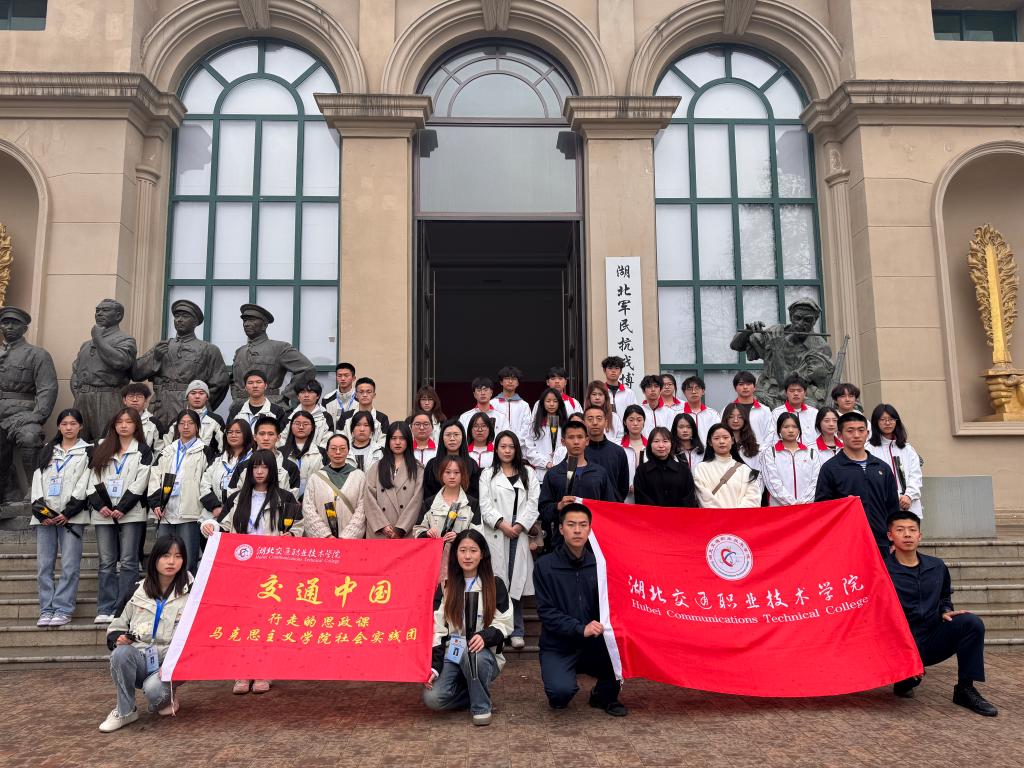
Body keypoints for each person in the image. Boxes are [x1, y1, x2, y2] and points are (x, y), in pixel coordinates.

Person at [201, 450, 300, 696]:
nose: (259, 471)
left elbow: (299, 526)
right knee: (242, 621)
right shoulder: (238, 498)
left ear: (272, 470)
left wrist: (291, 536)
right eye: (255, 467)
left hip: (273, 570)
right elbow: (223, 525)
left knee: (268, 620)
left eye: (264, 467)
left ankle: (265, 669)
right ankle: (242, 671)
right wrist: (210, 526)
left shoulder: (285, 498)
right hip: (242, 569)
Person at [885, 511, 998, 716]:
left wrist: (946, 610)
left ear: (920, 536)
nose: (907, 535)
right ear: (890, 536)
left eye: (912, 530)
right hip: (896, 643)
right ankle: (904, 677)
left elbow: (945, 596)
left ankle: (965, 689)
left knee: (971, 623)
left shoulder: (936, 566)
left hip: (930, 637)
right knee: (907, 676)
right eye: (900, 530)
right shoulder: (881, 570)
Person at [533, 503, 626, 716]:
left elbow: (612, 604)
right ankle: (560, 675)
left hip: (594, 642)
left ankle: (603, 695)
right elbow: (546, 612)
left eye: (583, 525)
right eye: (571, 525)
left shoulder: (600, 563)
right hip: (558, 644)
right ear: (561, 528)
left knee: (621, 648)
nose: (577, 530)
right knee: (560, 695)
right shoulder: (545, 566)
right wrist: (579, 628)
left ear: (590, 529)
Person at [99, 533, 190, 732]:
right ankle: (125, 711)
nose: (171, 562)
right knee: (120, 653)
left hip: (172, 664)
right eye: (165, 555)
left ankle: (167, 695)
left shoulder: (193, 592)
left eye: (178, 556)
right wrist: (118, 638)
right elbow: (115, 627)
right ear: (155, 558)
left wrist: (174, 665)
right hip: (141, 658)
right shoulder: (136, 591)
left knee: (154, 692)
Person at [424, 529, 513, 726]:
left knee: (472, 653)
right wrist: (435, 667)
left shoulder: (495, 584)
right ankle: (474, 693)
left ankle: (481, 707)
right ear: (455, 554)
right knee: (433, 699)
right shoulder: (446, 586)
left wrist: (485, 636)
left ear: (482, 554)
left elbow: (505, 622)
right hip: (452, 654)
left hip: (483, 655)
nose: (467, 556)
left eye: (473, 550)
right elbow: (438, 629)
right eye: (462, 550)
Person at [80, 408, 153, 622]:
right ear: (114, 425)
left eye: (129, 422)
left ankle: (122, 609)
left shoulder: (142, 450)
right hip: (103, 514)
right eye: (120, 421)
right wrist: (100, 505)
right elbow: (90, 480)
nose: (123, 425)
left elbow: (141, 482)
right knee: (106, 562)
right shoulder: (102, 448)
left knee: (129, 561)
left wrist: (122, 507)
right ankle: (105, 608)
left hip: (131, 513)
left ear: (136, 425)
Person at [479, 431, 541, 649]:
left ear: (517, 449)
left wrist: (520, 525)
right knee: (497, 581)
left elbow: (533, 502)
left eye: (511, 447)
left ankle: (517, 629)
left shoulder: (528, 473)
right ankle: (498, 630)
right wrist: (501, 524)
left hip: (519, 530)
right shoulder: (488, 474)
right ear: (496, 449)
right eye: (503, 446)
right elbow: (485, 504)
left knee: (517, 581)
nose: (507, 451)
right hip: (497, 531)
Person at [30, 408, 91, 627]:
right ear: (59, 426)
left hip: (71, 518)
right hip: (45, 518)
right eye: (64, 424)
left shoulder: (87, 452)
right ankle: (46, 609)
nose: (68, 427)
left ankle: (63, 609)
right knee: (44, 566)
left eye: (73, 423)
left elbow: (85, 483)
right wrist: (42, 512)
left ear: (80, 426)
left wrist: (68, 512)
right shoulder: (48, 450)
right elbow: (37, 481)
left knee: (69, 565)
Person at [132, 297, 229, 426]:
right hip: (161, 406)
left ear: (195, 322)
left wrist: (200, 402)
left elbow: (220, 383)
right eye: (177, 316)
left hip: (189, 405)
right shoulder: (162, 346)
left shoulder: (208, 349)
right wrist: (155, 358)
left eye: (185, 316)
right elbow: (136, 374)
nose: (179, 320)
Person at [814, 411, 900, 554]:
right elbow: (822, 509)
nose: (856, 435)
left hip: (881, 542)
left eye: (861, 430)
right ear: (839, 435)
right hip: (845, 543)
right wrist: (842, 504)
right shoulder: (830, 468)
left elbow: (893, 507)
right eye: (850, 431)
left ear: (867, 434)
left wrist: (894, 540)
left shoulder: (882, 468)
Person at [0, 306, 57, 503]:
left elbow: (47, 388)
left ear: (24, 328)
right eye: (5, 323)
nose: (9, 327)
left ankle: (35, 487)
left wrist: (37, 415)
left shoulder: (37, 354)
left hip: (22, 413)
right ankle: (8, 490)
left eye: (14, 323)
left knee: (31, 436)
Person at [148, 409, 210, 574]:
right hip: (166, 512)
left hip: (190, 513)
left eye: (190, 423)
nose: (186, 427)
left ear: (197, 427)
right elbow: (154, 477)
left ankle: (187, 589)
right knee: (163, 557)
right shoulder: (167, 451)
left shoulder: (205, 451)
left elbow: (207, 481)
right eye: (182, 423)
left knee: (188, 559)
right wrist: (156, 503)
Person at [538, 422, 618, 549]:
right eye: (571, 437)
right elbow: (543, 511)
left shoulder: (599, 473)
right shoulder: (553, 474)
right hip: (562, 544)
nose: (576, 442)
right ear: (563, 441)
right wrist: (558, 506)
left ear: (587, 441)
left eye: (580, 437)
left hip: (594, 543)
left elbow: (610, 509)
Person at [71, 299, 137, 441]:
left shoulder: (125, 340)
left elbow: (120, 362)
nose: (99, 313)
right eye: (97, 310)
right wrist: (79, 395)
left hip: (107, 397)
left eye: (105, 310)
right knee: (78, 442)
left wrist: (98, 339)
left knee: (107, 442)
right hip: (82, 398)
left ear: (118, 316)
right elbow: (76, 372)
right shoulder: (86, 345)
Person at [229, 303, 315, 409]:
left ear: (264, 325)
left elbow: (307, 369)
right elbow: (233, 380)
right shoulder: (240, 351)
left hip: (270, 406)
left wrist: (286, 396)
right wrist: (236, 397)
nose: (246, 324)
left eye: (252, 320)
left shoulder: (279, 348)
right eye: (245, 321)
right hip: (240, 407)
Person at [415, 455, 482, 579]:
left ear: (463, 475)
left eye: (456, 473)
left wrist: (459, 537)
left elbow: (478, 534)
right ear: (441, 474)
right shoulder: (429, 503)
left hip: (463, 562)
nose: (452, 476)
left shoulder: (472, 504)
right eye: (448, 472)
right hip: (433, 563)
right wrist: (427, 533)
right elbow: (417, 531)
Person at [361, 421, 423, 539]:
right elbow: (369, 498)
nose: (397, 442)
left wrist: (400, 529)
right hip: (380, 532)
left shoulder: (417, 469)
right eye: (394, 438)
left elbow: (416, 501)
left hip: (405, 532)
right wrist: (382, 525)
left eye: (402, 438)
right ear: (388, 441)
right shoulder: (376, 467)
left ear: (408, 441)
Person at [301, 434, 366, 539]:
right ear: (327, 451)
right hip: (323, 541)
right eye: (333, 448)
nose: (338, 452)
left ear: (348, 451)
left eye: (342, 448)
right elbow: (308, 510)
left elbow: (362, 510)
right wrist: (326, 536)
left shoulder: (359, 476)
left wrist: (347, 536)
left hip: (350, 542)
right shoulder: (315, 478)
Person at [868, 404, 924, 518]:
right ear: (875, 422)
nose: (887, 423)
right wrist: (893, 497)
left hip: (908, 505)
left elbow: (915, 475)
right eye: (883, 419)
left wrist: (909, 496)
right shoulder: (869, 449)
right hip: (882, 506)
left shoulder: (907, 449)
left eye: (891, 419)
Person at [693, 424, 761, 508]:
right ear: (710, 442)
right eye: (716, 438)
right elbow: (704, 498)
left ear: (732, 440)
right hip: (713, 516)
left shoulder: (745, 470)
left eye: (725, 437)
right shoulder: (702, 468)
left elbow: (753, 498)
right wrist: (723, 515)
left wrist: (734, 514)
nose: (721, 441)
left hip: (740, 516)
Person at [759, 412, 819, 507]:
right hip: (779, 509)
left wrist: (804, 502)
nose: (790, 430)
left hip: (807, 507)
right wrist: (793, 504)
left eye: (794, 427)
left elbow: (816, 481)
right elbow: (772, 483)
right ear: (779, 429)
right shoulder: (770, 453)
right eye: (786, 427)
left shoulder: (811, 453)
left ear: (799, 429)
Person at [229, 415, 300, 494]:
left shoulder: (290, 468)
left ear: (278, 437)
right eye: (262, 434)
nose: (266, 438)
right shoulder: (243, 467)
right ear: (255, 437)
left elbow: (292, 497)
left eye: (271, 434)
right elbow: (232, 495)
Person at [199, 419, 253, 518]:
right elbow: (204, 484)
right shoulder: (217, 459)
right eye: (230, 432)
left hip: (242, 515)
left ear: (246, 435)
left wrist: (229, 509)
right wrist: (215, 507)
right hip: (214, 515)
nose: (233, 435)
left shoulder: (255, 460)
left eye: (238, 432)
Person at [633, 427, 697, 507]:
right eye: (656, 441)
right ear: (650, 445)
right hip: (650, 514)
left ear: (671, 444)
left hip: (679, 514)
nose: (661, 445)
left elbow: (689, 499)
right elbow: (641, 499)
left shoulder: (683, 470)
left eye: (665, 441)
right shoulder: (642, 471)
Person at [423, 419, 480, 501]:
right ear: (442, 437)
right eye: (448, 435)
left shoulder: (472, 464)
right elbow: (427, 494)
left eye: (456, 434)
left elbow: (475, 494)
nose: (452, 438)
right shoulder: (432, 465)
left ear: (463, 437)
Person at [582, 405, 628, 502]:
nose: (595, 422)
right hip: (585, 507)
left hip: (612, 506)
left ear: (606, 422)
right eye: (590, 419)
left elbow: (623, 487)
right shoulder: (578, 451)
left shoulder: (618, 452)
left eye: (599, 419)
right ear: (583, 423)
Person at [524, 387, 567, 483]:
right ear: (542, 403)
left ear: (560, 403)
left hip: (562, 474)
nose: (551, 404)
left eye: (555, 401)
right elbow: (529, 450)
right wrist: (546, 463)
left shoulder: (565, 425)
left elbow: (570, 449)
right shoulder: (535, 426)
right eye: (548, 401)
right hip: (540, 475)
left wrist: (558, 459)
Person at [172, 380, 225, 455]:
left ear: (207, 397)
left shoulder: (216, 420)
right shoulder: (176, 421)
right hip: (180, 460)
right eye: (193, 393)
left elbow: (223, 449)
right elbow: (167, 449)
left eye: (201, 393)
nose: (197, 396)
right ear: (187, 397)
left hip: (208, 461)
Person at [279, 410, 324, 498]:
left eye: (306, 424)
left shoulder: (322, 452)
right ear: (291, 426)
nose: (301, 427)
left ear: (312, 427)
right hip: (285, 499)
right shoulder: (280, 452)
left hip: (314, 498)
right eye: (297, 423)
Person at [726, 371, 773, 447]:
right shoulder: (727, 409)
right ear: (735, 388)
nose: (745, 387)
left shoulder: (764, 410)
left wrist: (761, 450)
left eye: (748, 384)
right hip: (734, 452)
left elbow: (770, 433)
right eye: (741, 384)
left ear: (754, 387)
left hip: (759, 451)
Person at [768, 375, 818, 446]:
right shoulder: (777, 413)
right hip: (786, 451)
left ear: (805, 393)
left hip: (811, 452)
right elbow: (773, 438)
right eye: (792, 391)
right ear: (786, 393)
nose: (796, 394)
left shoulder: (814, 413)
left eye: (799, 390)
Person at [337, 376, 389, 442]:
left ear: (374, 395)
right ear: (356, 395)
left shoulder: (382, 418)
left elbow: (383, 442)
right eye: (361, 392)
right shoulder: (345, 417)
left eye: (368, 392)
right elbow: (340, 440)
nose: (365, 395)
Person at [721, 403, 762, 478]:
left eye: (740, 417)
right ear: (726, 419)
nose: (735, 420)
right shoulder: (719, 445)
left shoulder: (753, 447)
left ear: (745, 419)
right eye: (731, 417)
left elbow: (758, 475)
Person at [491, 366, 531, 443]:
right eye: (507, 378)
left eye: (513, 379)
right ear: (501, 382)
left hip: (519, 446)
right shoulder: (492, 403)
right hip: (497, 446)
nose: (510, 381)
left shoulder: (524, 405)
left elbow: (526, 428)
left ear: (517, 383)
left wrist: (515, 443)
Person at [289, 379, 335, 447]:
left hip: (318, 453)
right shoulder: (289, 417)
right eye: (302, 392)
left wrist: (313, 453)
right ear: (298, 396)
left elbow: (327, 442)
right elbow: (283, 440)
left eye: (310, 392)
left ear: (318, 396)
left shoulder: (326, 417)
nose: (306, 395)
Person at [121, 382, 164, 454]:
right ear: (124, 400)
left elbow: (159, 450)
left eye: (139, 396)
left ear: (146, 400)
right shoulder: (116, 421)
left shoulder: (154, 422)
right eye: (131, 396)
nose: (135, 400)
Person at [679, 376, 721, 444]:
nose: (693, 392)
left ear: (703, 391)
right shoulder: (677, 413)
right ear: (684, 393)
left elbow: (718, 434)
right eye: (689, 389)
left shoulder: (713, 414)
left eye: (697, 388)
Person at [619, 404, 647, 502]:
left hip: (647, 498)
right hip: (624, 499)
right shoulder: (618, 447)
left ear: (644, 422)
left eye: (639, 420)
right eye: (631, 420)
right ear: (625, 422)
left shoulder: (651, 446)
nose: (635, 423)